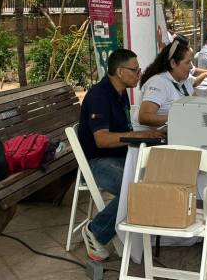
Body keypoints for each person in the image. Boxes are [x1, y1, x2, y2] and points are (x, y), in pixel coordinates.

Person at [77, 49, 165, 261]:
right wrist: (140, 135)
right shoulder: (99, 95)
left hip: (120, 156)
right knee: (136, 189)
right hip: (97, 162)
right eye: (135, 70)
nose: (139, 75)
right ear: (119, 71)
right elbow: (102, 139)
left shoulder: (120, 92)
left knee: (154, 178)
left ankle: (143, 230)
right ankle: (96, 231)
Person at [137, 38, 207, 129]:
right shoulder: (158, 82)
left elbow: (198, 104)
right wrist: (180, 118)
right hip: (154, 136)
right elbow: (144, 117)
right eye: (187, 62)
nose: (191, 67)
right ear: (173, 63)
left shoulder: (184, 80)